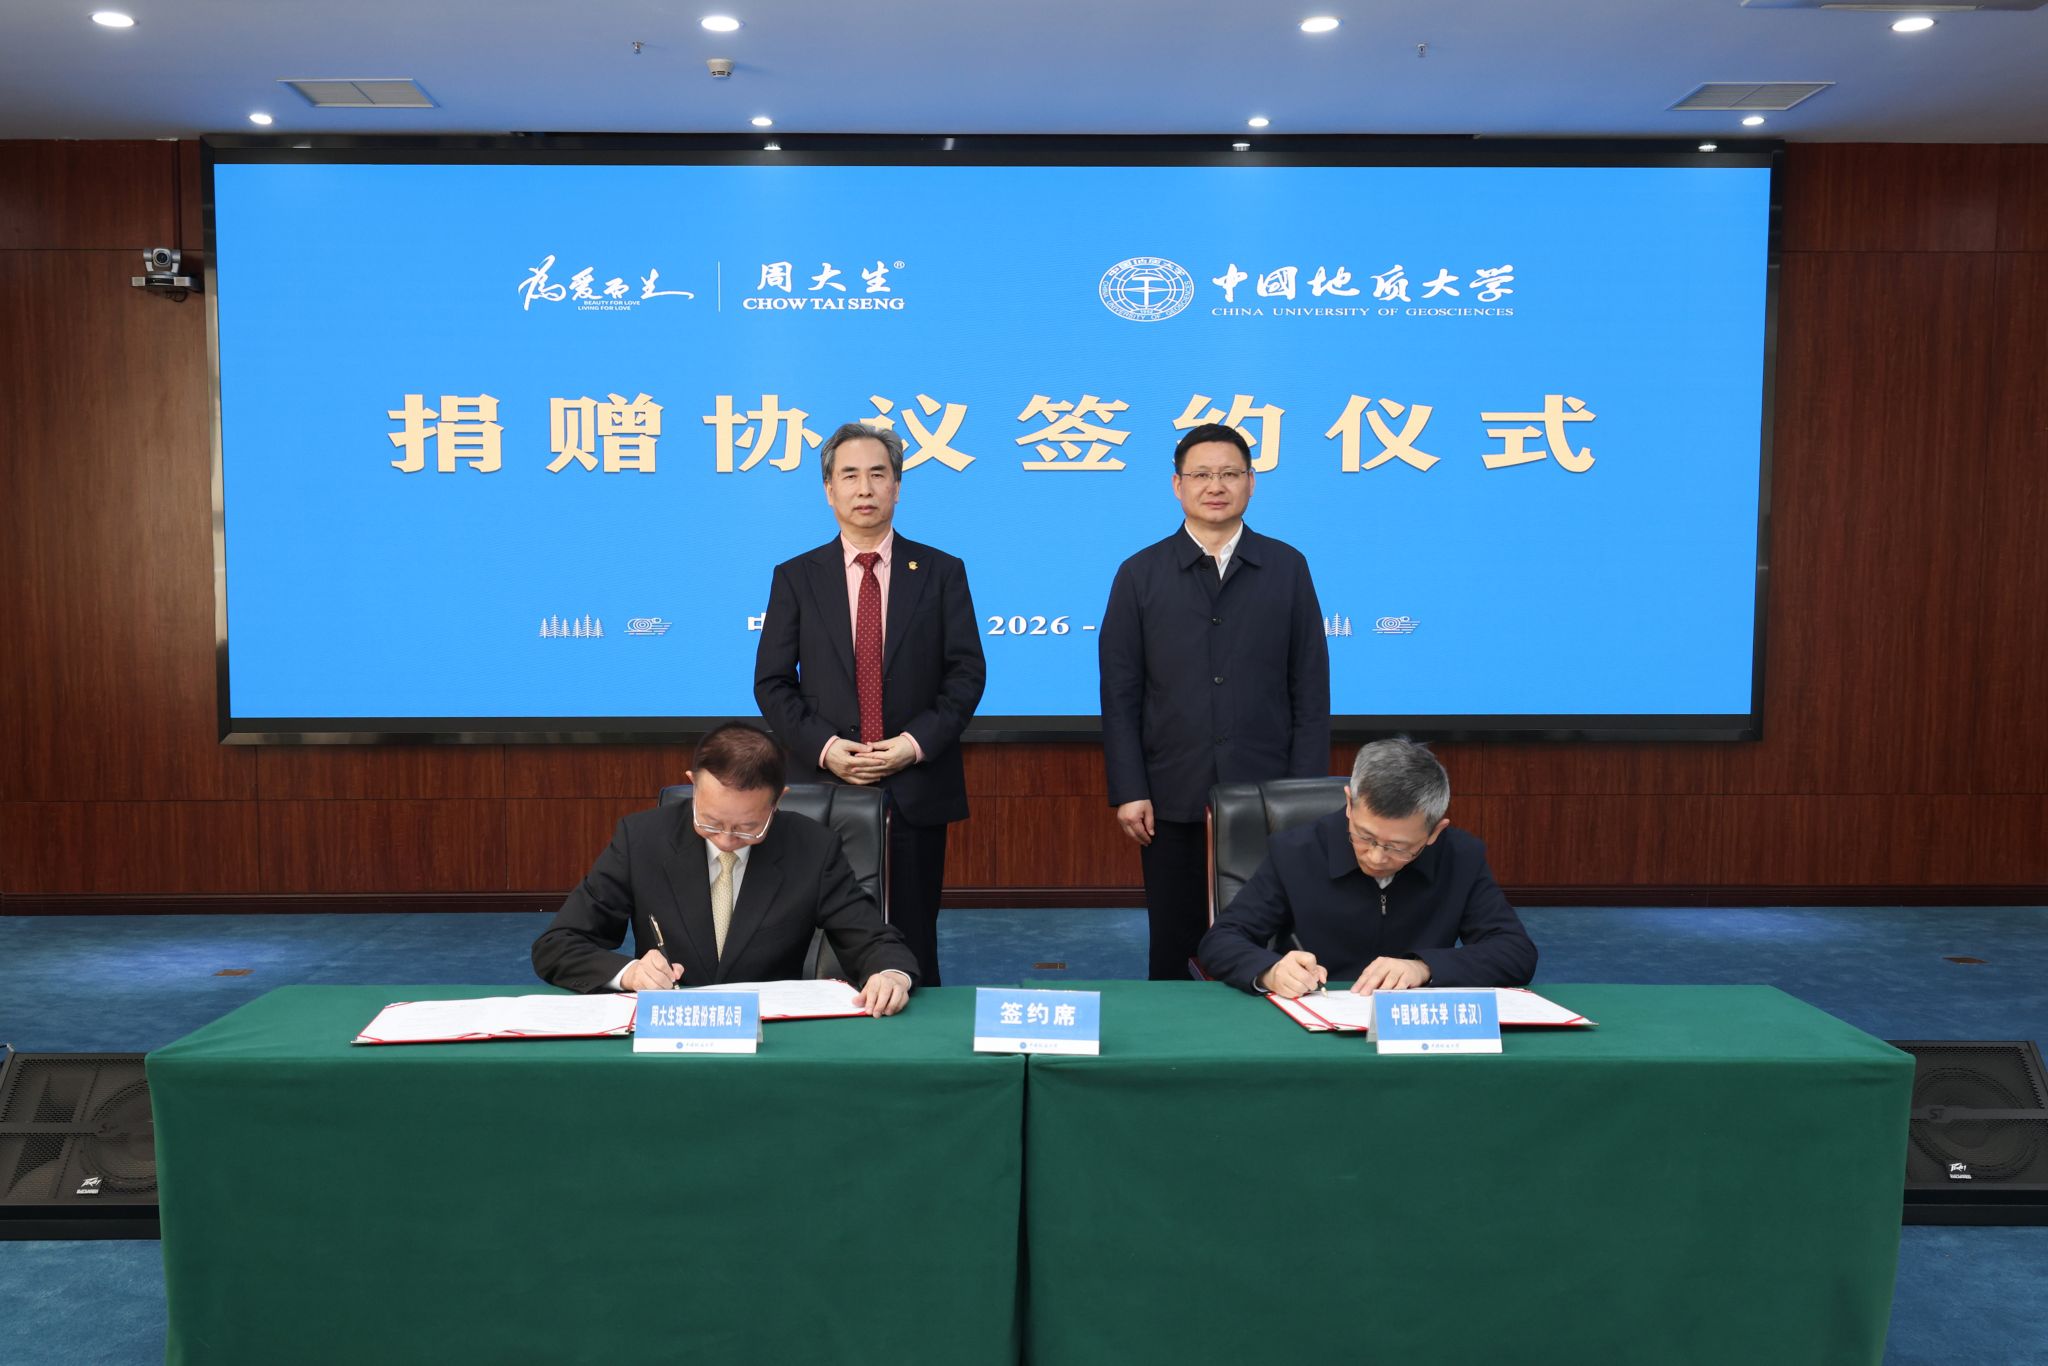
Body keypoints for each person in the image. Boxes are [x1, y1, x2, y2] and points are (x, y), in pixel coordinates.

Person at [753, 422, 986, 986]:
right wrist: (826, 748)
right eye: (850, 475)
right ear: (828, 489)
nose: (864, 488)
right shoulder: (796, 577)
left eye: (878, 475)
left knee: (913, 937)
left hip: (915, 786)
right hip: (824, 788)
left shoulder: (941, 571)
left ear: (897, 487)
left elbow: (966, 675)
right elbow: (772, 683)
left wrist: (912, 745)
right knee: (816, 935)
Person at [1099, 422, 1331, 979]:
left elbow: (1310, 689)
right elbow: (1120, 694)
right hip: (1171, 791)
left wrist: (1304, 795)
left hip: (1269, 794)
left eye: (1229, 473)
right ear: (1177, 485)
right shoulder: (1140, 573)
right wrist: (1130, 790)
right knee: (1173, 943)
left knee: (1272, 937)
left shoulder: (1287, 567)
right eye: (1201, 474)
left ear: (1251, 482)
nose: (1215, 485)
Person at [531, 721, 919, 1015]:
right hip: (669, 1028)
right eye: (711, 821)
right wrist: (629, 972)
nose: (726, 839)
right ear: (692, 786)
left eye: (748, 826)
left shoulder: (813, 848)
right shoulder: (641, 839)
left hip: (769, 1033)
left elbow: (873, 941)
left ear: (778, 800)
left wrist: (890, 974)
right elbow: (558, 945)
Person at [1198, 738, 1537, 997]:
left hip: (1413, 1028)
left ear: (1435, 832)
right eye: (1365, 836)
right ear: (1349, 803)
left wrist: (1425, 968)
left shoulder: (1460, 857)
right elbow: (1222, 940)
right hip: (1317, 1016)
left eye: (1398, 847)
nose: (1376, 857)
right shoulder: (1296, 851)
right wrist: (1270, 970)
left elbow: (1516, 953)